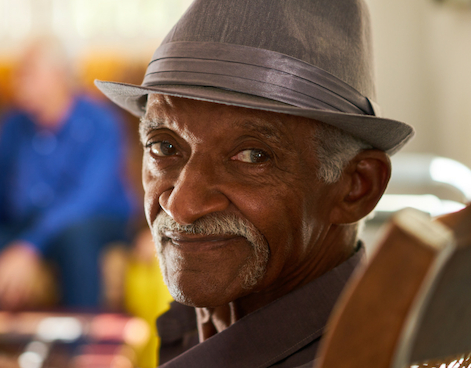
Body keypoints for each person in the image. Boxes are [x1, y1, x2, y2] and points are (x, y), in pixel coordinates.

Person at [94, 0, 415, 366]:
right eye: (164, 146)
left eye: (252, 156)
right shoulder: (204, 321)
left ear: (356, 186)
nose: (181, 205)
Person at [0, 39, 137, 310]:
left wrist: (28, 247)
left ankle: (80, 348)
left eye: (27, 72)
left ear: (59, 77)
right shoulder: (10, 124)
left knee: (75, 238)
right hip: (27, 222)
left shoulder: (101, 122)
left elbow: (85, 199)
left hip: (94, 221)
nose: (16, 80)